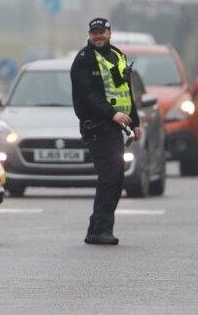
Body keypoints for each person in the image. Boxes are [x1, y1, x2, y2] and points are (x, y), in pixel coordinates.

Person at [70, 18, 141, 246]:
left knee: (117, 178)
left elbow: (125, 90)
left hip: (115, 126)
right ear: (89, 34)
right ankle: (99, 230)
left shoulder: (118, 55)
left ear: (110, 33)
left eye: (102, 32)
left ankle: (99, 228)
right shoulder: (84, 59)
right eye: (94, 33)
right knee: (110, 176)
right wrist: (112, 114)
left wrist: (135, 122)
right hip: (97, 126)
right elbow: (88, 95)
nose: (98, 36)